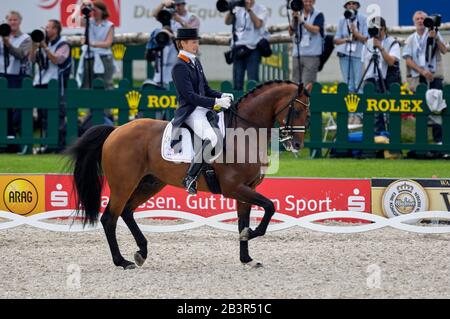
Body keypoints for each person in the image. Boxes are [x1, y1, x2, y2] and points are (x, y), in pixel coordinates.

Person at [170, 28, 233, 195]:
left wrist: (221, 95)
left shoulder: (195, 62)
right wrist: (215, 102)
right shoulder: (179, 66)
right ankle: (190, 177)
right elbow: (190, 96)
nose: (196, 45)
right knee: (212, 138)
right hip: (191, 111)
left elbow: (205, 88)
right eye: (193, 42)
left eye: (196, 42)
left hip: (202, 108)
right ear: (182, 43)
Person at [403, 11, 448, 145]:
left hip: (435, 76)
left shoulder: (434, 33)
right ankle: (421, 140)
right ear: (414, 21)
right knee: (420, 108)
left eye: (423, 18)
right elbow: (408, 60)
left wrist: (436, 38)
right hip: (419, 77)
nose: (420, 20)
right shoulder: (411, 38)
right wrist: (422, 71)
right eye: (417, 18)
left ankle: (439, 140)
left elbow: (444, 50)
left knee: (437, 107)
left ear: (428, 20)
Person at [29, 19, 71, 153]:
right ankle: (46, 144)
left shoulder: (63, 44)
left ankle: (58, 145)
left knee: (56, 114)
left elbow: (57, 60)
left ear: (56, 30)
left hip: (55, 84)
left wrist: (45, 47)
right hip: (40, 83)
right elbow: (32, 59)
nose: (46, 30)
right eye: (45, 28)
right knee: (42, 115)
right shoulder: (42, 43)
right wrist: (35, 45)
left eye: (48, 28)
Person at [361, 17, 401, 134]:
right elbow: (365, 63)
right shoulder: (367, 44)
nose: (375, 32)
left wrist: (381, 48)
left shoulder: (392, 43)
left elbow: (391, 62)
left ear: (383, 29)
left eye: (377, 29)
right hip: (369, 81)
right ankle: (372, 136)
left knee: (385, 111)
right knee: (370, 111)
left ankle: (387, 136)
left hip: (385, 82)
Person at [149, 0, 200, 88]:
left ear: (184, 5)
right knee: (163, 67)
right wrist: (163, 4)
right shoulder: (168, 15)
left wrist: (180, 20)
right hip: (167, 47)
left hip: (183, 49)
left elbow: (194, 32)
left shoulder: (192, 17)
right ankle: (160, 85)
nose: (177, 7)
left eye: (179, 5)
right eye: (175, 5)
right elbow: (154, 14)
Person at [0, 11, 32, 153]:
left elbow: (21, 55)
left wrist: (7, 43)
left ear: (19, 22)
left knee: (16, 111)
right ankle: (5, 141)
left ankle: (15, 141)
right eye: (10, 20)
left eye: (15, 20)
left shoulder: (26, 38)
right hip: (2, 75)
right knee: (3, 111)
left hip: (16, 76)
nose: (12, 22)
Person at [225, 0, 268, 90]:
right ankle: (237, 103)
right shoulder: (237, 8)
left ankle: (254, 103)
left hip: (253, 48)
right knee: (237, 82)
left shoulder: (261, 9)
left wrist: (249, 10)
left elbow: (258, 24)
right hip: (238, 48)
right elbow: (227, 22)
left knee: (253, 82)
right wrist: (231, 10)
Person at [77, 0, 115, 89]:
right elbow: (79, 22)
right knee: (86, 83)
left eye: (96, 10)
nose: (94, 12)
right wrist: (84, 9)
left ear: (102, 11)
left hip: (104, 57)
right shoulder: (89, 21)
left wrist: (92, 44)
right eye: (93, 10)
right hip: (89, 56)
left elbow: (108, 43)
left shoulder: (109, 25)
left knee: (105, 82)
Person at [289, 0, 324, 86]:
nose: (308, 3)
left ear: (314, 2)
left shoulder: (318, 15)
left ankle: (306, 100)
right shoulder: (298, 13)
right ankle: (296, 100)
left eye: (310, 1)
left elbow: (316, 30)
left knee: (307, 84)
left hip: (312, 54)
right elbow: (291, 32)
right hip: (297, 53)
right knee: (295, 83)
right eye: (305, 1)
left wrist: (302, 22)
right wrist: (294, 19)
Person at [334, 1, 368, 93]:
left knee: (359, 83)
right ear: (346, 6)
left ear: (357, 6)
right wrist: (346, 39)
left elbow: (366, 38)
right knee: (348, 83)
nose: (351, 5)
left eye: (354, 3)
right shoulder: (342, 19)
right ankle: (350, 105)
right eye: (349, 4)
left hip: (358, 54)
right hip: (345, 54)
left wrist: (355, 33)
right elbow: (336, 40)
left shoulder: (363, 18)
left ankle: (360, 104)